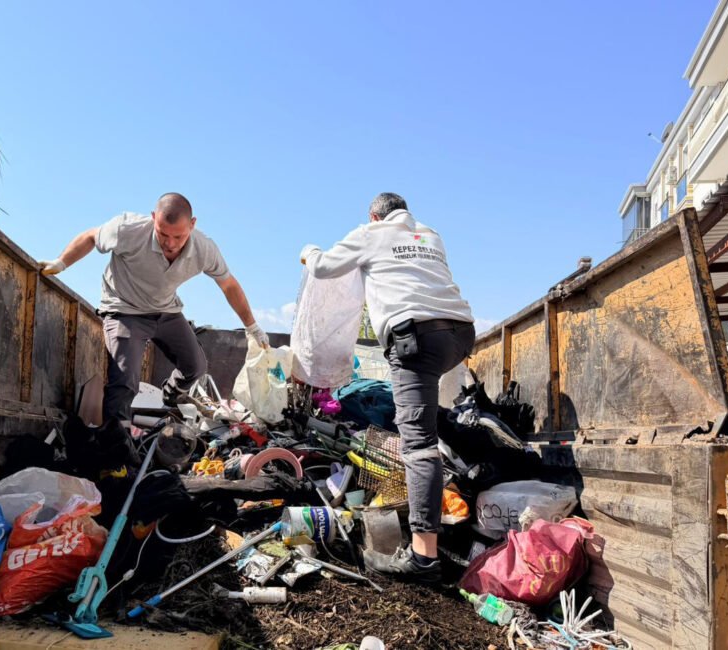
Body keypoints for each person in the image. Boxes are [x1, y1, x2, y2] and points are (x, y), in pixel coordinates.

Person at [301, 192, 475, 583]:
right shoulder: (431, 235)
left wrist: (309, 252)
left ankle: (423, 557)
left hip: (417, 339)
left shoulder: (371, 232)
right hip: (460, 335)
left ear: (374, 216)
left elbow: (325, 267)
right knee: (425, 422)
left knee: (418, 447)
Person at [40, 192, 269, 420]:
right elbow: (91, 236)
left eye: (178, 237)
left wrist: (252, 327)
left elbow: (229, 285)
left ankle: (171, 395)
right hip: (125, 310)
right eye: (162, 234)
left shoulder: (205, 249)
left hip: (166, 311)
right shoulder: (127, 229)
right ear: (153, 218)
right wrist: (61, 262)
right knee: (124, 381)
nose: (170, 243)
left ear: (192, 224)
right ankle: (114, 443)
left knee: (196, 366)